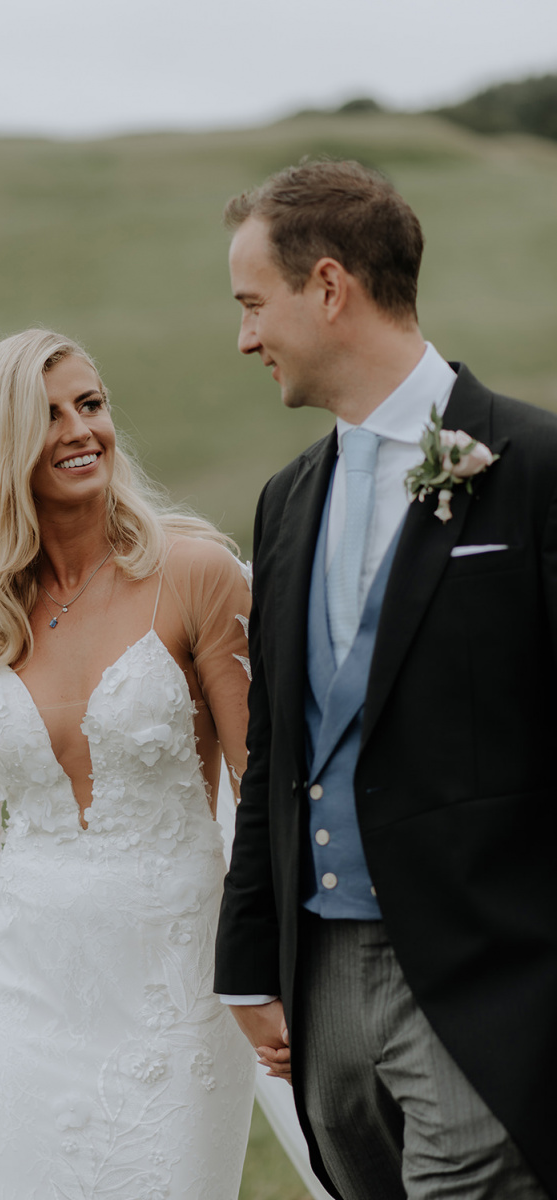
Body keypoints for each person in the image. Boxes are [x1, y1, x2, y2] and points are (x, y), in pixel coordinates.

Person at [214, 159, 557, 1200]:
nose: (244, 339)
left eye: (252, 304)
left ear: (328, 287)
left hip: (487, 981)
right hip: (323, 992)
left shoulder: (536, 468)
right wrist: (250, 960)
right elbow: (275, 747)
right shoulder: (285, 501)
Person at [0, 329, 257, 1199]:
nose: (80, 429)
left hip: (177, 988)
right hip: (31, 997)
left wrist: (277, 965)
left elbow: (263, 786)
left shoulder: (196, 574)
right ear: (0, 446)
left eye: (90, 404)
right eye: (47, 415)